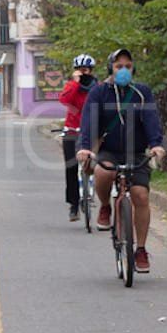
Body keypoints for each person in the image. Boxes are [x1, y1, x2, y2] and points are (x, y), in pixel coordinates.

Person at [76, 49, 167, 274]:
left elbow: (151, 120)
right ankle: (105, 206)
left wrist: (156, 144)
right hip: (110, 150)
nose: (124, 70)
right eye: (119, 66)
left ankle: (141, 249)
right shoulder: (99, 92)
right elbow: (88, 120)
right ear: (111, 69)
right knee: (103, 172)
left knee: (140, 195)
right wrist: (85, 147)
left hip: (136, 152)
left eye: (128, 66)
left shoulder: (142, 92)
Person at [59, 54, 97, 221]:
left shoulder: (97, 87)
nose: (83, 73)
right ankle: (74, 204)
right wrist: (75, 82)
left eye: (86, 70)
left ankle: (92, 194)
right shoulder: (71, 86)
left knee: (99, 164)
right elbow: (64, 100)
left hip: (92, 131)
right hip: (73, 130)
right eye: (80, 70)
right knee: (71, 167)